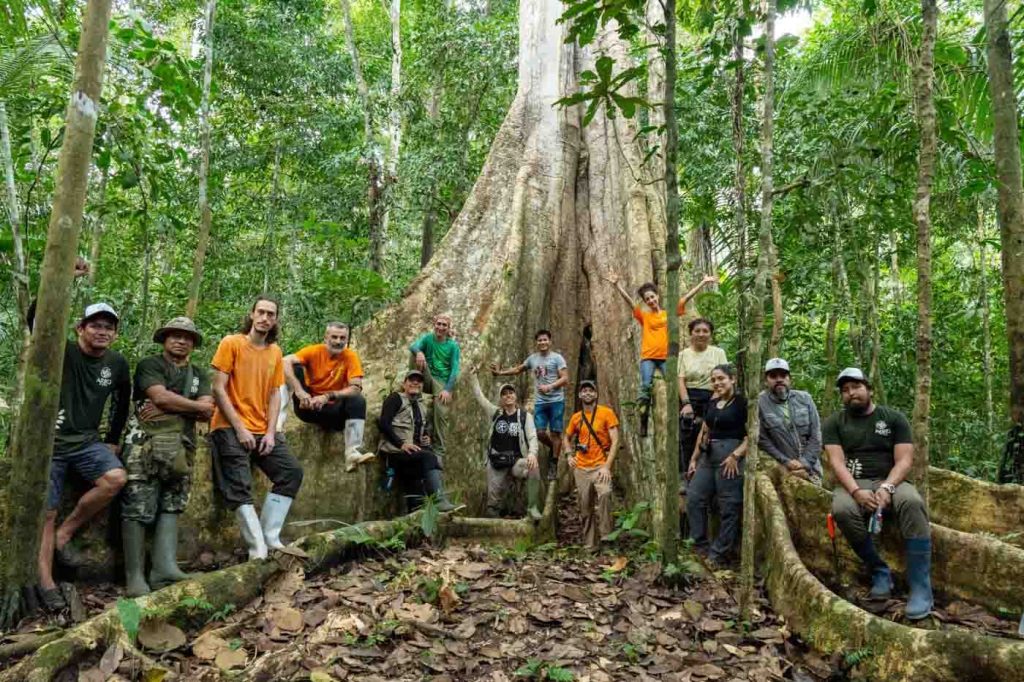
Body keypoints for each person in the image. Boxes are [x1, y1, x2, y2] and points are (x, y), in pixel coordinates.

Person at [37, 303, 130, 611]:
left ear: (115, 335)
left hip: (87, 443)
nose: (102, 332)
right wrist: (65, 279)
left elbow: (122, 400)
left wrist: (113, 440)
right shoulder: (62, 351)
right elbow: (38, 320)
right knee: (47, 512)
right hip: (49, 443)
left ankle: (66, 533)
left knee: (115, 478)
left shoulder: (116, 363)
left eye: (108, 327)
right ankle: (45, 581)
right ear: (80, 328)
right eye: (95, 325)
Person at [823, 368, 933, 620]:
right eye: (846, 390)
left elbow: (905, 460)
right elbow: (836, 462)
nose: (851, 393)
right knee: (841, 508)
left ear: (869, 389)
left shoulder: (893, 418)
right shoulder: (835, 422)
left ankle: (920, 587)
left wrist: (887, 487)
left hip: (891, 480)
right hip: (855, 482)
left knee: (913, 502)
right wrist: (856, 491)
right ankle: (879, 570)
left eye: (856, 387)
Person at [122, 317, 213, 596]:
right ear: (164, 339)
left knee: (173, 501)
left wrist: (174, 406)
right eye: (175, 335)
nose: (181, 340)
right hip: (144, 444)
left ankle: (165, 568)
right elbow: (159, 397)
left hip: (182, 445)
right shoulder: (150, 365)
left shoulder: (199, 374)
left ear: (193, 344)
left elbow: (207, 410)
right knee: (137, 502)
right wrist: (189, 407)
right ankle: (134, 577)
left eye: (187, 337)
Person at [209, 296, 304, 560]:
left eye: (271, 314)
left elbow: (275, 394)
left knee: (291, 472)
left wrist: (272, 433)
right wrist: (239, 428)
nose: (265, 318)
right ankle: (257, 549)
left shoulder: (275, 351)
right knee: (240, 484)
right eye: (260, 312)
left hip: (263, 428)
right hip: (228, 425)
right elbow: (218, 387)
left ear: (275, 319)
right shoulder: (232, 343)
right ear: (251, 315)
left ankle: (270, 536)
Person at [611, 274, 717, 436]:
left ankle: (682, 416)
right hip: (648, 357)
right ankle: (644, 420)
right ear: (645, 302)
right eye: (647, 299)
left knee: (675, 385)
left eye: (652, 297)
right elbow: (630, 303)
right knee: (645, 387)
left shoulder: (669, 314)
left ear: (657, 296)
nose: (651, 301)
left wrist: (703, 282)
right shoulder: (645, 316)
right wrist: (617, 285)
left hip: (666, 358)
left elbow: (684, 299)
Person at [283, 322, 373, 472]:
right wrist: (299, 391)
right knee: (295, 368)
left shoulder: (350, 356)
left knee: (357, 399)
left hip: (333, 410)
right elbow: (284, 361)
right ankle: (279, 421)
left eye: (342, 338)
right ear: (326, 338)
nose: (338, 341)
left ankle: (352, 451)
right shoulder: (314, 351)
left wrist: (327, 396)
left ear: (347, 339)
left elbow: (356, 387)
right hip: (307, 406)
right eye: (334, 337)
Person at [686, 363, 747, 566]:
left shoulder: (742, 403)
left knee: (729, 505)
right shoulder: (712, 404)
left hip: (730, 457)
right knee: (694, 498)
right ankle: (700, 545)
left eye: (721, 378)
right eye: (713, 380)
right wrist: (694, 459)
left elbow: (753, 435)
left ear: (732, 379)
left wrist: (736, 456)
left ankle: (719, 553)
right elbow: (705, 432)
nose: (717, 383)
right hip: (708, 456)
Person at [489, 329, 568, 481]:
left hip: (556, 400)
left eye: (545, 340)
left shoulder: (557, 358)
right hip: (540, 402)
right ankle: (554, 448)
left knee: (556, 433)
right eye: (540, 340)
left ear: (550, 341)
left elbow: (565, 379)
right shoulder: (533, 359)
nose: (542, 342)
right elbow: (519, 370)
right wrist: (500, 373)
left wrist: (550, 386)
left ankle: (554, 463)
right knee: (539, 432)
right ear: (536, 342)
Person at [378, 370, 456, 512]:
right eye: (411, 380)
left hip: (413, 454)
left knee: (415, 483)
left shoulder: (421, 405)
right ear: (404, 384)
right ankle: (439, 500)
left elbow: (421, 428)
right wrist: (402, 444)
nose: (415, 383)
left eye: (419, 381)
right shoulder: (395, 398)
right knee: (429, 457)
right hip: (395, 453)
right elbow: (384, 423)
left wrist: (425, 438)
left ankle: (416, 518)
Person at [470, 369, 541, 519]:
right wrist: (474, 377)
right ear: (501, 399)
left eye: (511, 393)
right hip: (497, 461)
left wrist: (532, 454)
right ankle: (493, 527)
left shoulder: (524, 416)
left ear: (515, 396)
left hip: (516, 461)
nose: (508, 395)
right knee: (493, 501)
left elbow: (533, 437)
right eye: (504, 394)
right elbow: (480, 397)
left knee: (533, 467)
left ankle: (533, 507)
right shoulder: (495, 413)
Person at [562, 380, 620, 549]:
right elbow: (566, 437)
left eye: (591, 391)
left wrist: (607, 466)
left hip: (601, 465)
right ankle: (590, 545)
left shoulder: (606, 413)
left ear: (596, 394)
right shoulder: (576, 417)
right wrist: (568, 455)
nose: (587, 393)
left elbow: (615, 440)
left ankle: (607, 539)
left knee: (605, 495)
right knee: (585, 507)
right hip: (581, 468)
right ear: (580, 395)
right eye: (584, 391)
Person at [757, 358, 823, 485]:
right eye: (773, 376)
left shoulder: (805, 399)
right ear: (766, 381)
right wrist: (786, 462)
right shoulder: (760, 402)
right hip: (781, 468)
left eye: (783, 375)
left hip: (811, 467)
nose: (779, 379)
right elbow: (763, 440)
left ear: (789, 378)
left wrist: (804, 463)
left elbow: (816, 435)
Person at [678, 318, 728, 484]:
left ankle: (708, 474)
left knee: (710, 434)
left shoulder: (718, 353)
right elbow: (680, 380)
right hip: (690, 397)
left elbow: (723, 378)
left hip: (713, 394)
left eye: (705, 331)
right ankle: (686, 474)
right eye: (697, 331)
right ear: (690, 334)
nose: (701, 334)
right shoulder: (683, 355)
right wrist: (686, 403)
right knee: (687, 433)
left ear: (710, 335)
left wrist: (714, 401)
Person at [409, 314, 461, 460]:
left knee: (441, 412)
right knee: (413, 354)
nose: (441, 327)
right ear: (434, 324)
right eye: (439, 324)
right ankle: (412, 389)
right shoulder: (427, 338)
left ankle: (439, 450)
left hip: (441, 381)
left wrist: (448, 389)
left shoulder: (453, 346)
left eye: (444, 325)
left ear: (448, 328)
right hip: (426, 377)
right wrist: (419, 352)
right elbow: (413, 346)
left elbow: (454, 369)